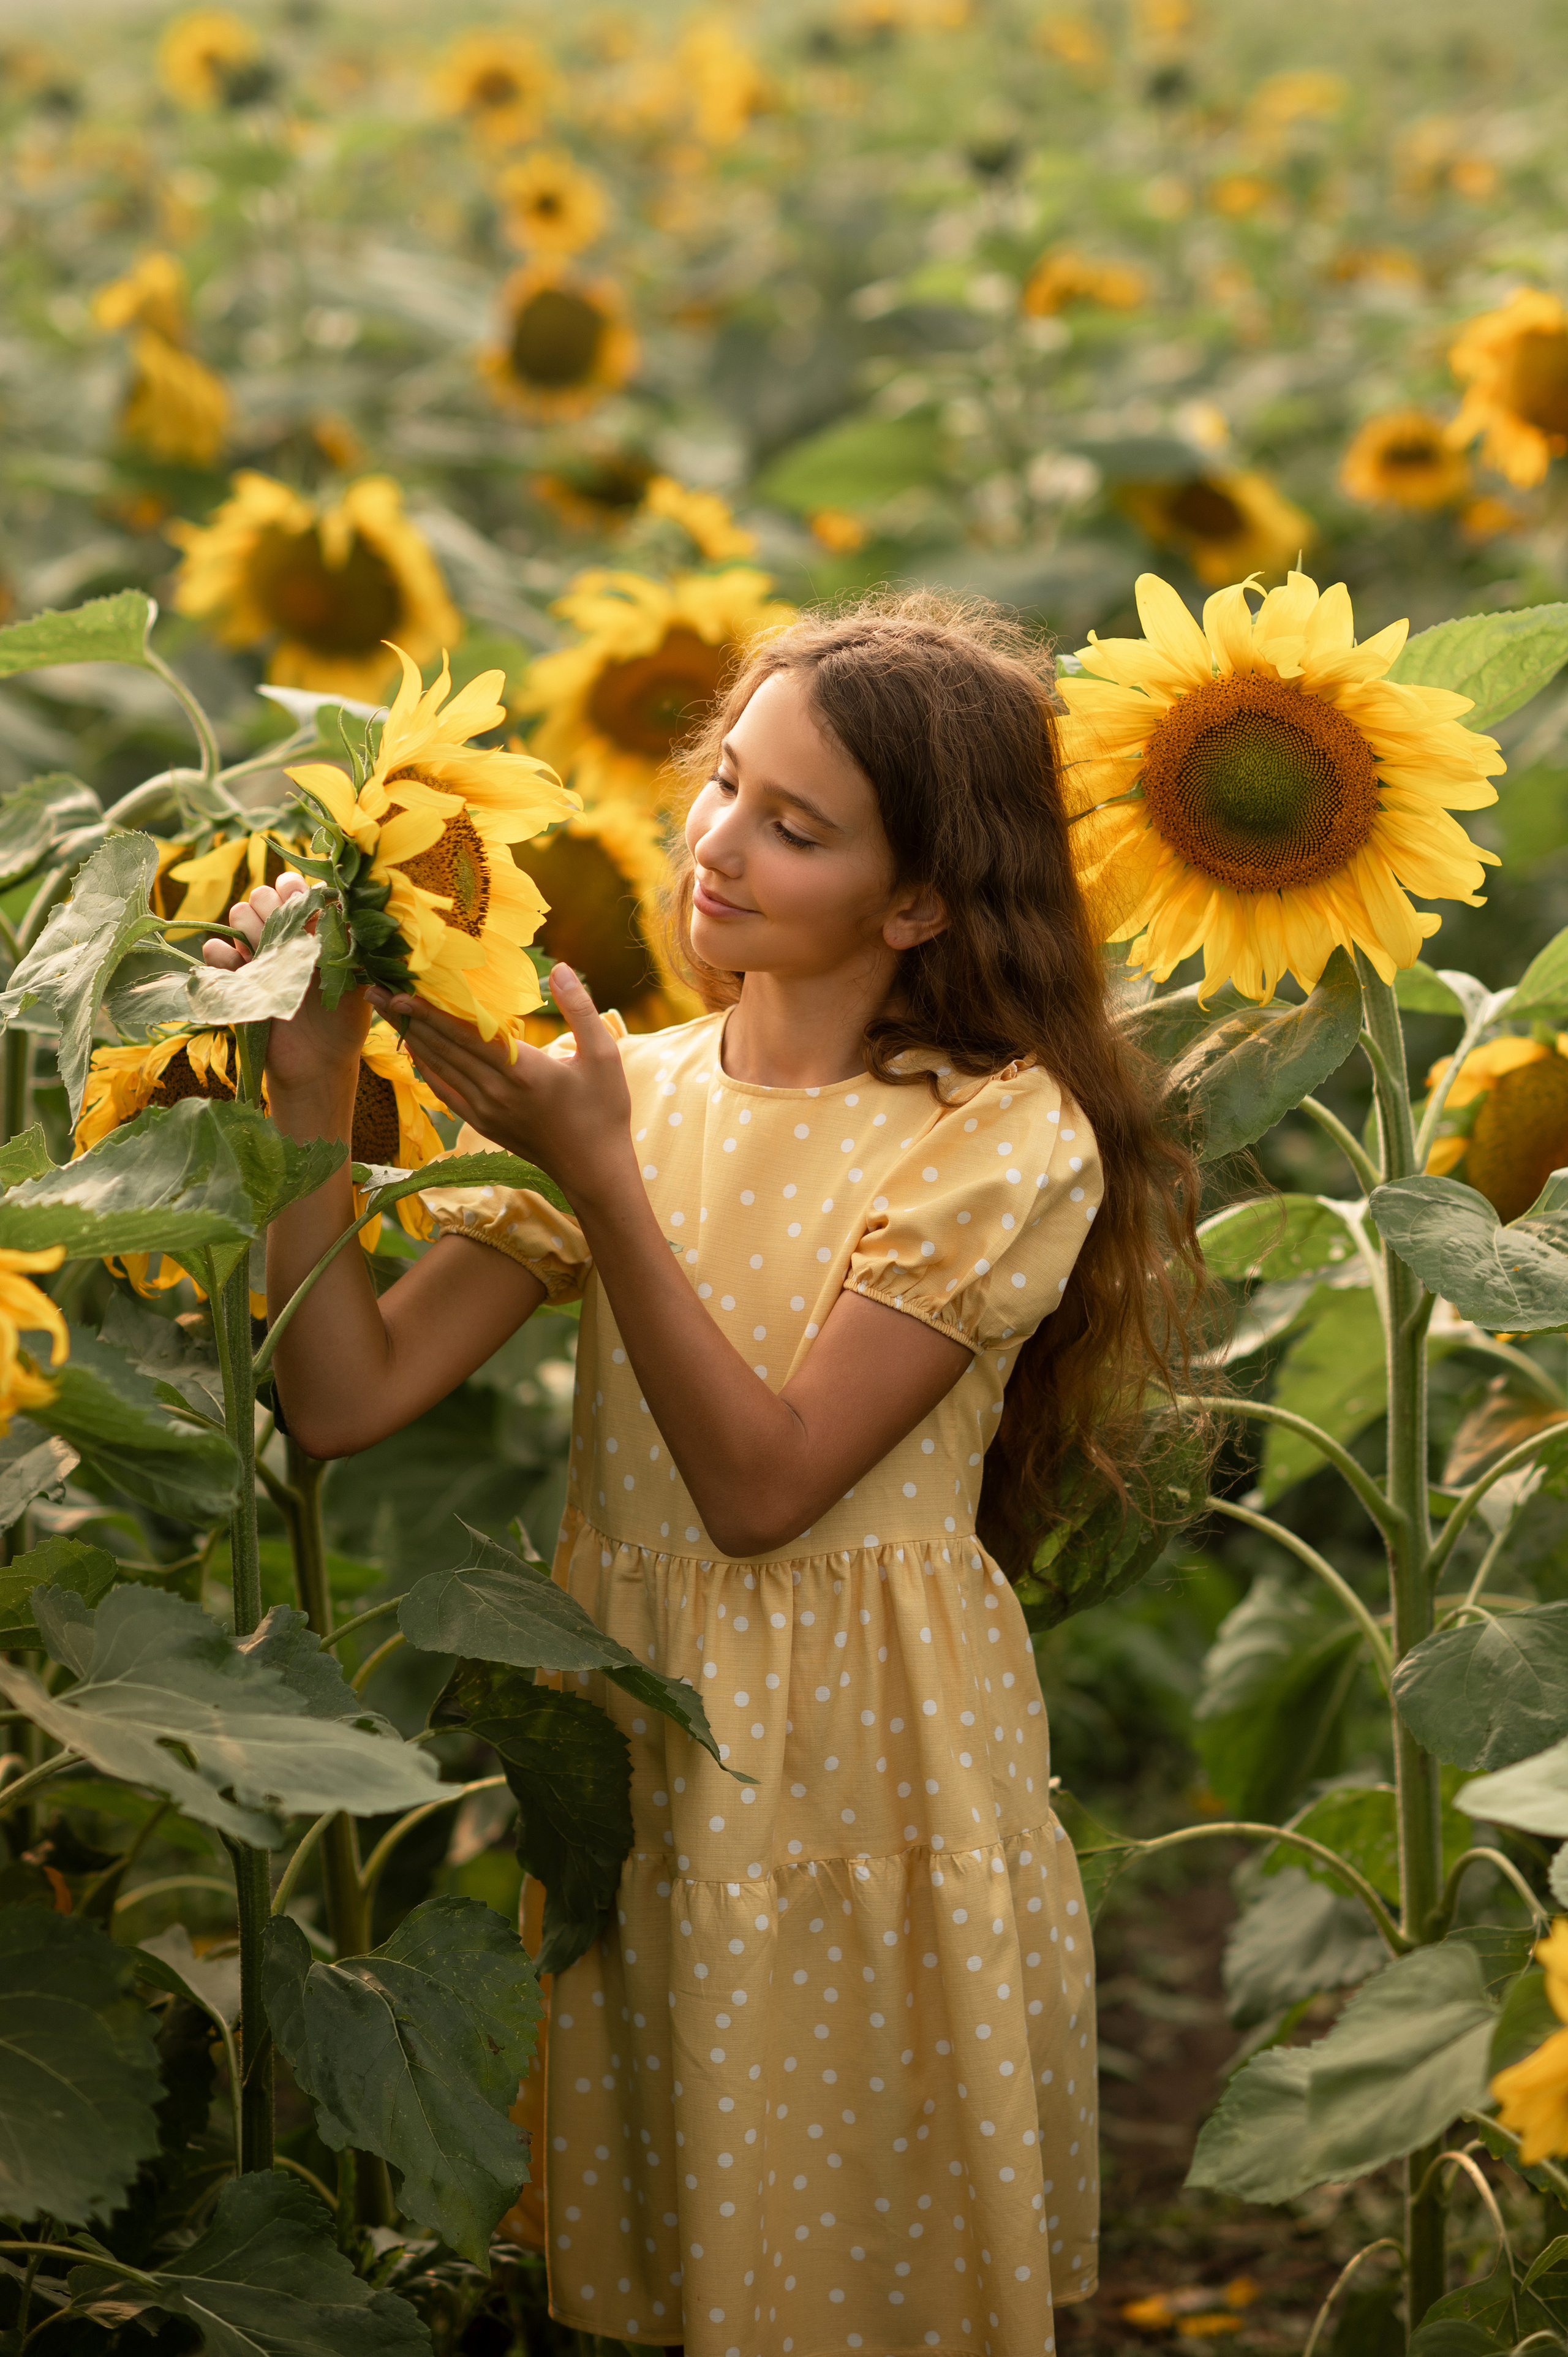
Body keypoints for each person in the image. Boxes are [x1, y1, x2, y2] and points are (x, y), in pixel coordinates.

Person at [209, 592, 1200, 2357]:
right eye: (725, 783)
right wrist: (308, 1082)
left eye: (793, 826)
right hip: (648, 1757)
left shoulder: (1002, 1138)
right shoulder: (637, 1093)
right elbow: (344, 1396)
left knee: (864, 2278)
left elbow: (766, 1489)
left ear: (917, 904)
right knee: (671, 2267)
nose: (715, 845)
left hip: (867, 1761)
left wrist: (601, 1184)